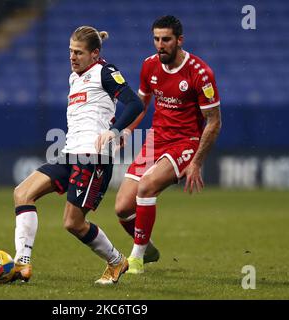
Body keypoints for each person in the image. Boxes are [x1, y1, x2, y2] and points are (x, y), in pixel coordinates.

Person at [12, 26, 144, 284]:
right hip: (69, 152)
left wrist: (115, 131)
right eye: (70, 52)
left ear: (95, 54)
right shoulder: (75, 77)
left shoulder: (105, 72)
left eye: (79, 53)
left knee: (73, 223)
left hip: (93, 158)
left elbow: (135, 103)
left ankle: (117, 262)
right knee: (22, 193)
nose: (72, 57)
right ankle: (22, 263)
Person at [114, 16, 222, 274]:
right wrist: (127, 130)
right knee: (122, 208)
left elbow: (214, 122)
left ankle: (136, 260)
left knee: (147, 185)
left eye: (166, 39)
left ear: (179, 40)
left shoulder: (200, 73)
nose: (160, 45)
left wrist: (196, 162)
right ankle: (148, 249)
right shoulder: (149, 66)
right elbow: (141, 104)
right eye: (156, 39)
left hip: (185, 142)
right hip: (156, 140)